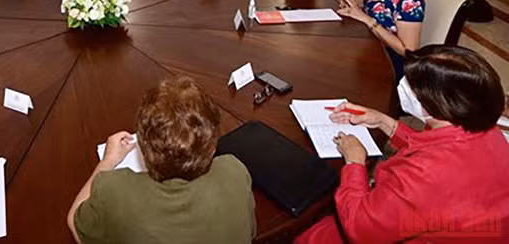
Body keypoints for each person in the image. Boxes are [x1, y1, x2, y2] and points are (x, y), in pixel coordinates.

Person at [296, 45, 509, 243]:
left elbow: (360, 230)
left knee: (314, 235)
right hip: (477, 227)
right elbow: (434, 146)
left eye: (412, 84)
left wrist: (354, 163)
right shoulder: (486, 129)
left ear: (436, 103)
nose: (404, 86)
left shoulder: (426, 174)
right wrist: (383, 121)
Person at [68, 76, 256, 244]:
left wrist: (107, 161)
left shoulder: (113, 193)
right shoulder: (235, 172)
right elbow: (250, 231)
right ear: (212, 145)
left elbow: (74, 223)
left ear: (143, 147)